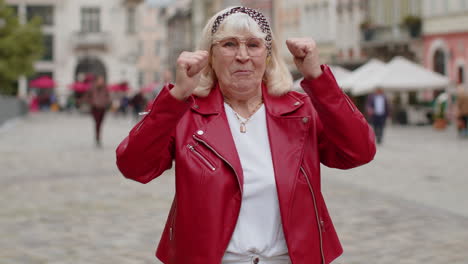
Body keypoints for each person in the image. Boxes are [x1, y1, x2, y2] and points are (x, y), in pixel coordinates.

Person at [116, 6, 376, 264]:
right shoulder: (186, 112)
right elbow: (134, 166)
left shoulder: (300, 111)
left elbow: (359, 151)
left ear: (269, 56)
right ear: (209, 56)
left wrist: (318, 79)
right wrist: (176, 97)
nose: (242, 55)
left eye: (253, 45)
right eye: (229, 44)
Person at [86, 75, 110, 147]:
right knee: (97, 123)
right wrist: (92, 102)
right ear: (96, 81)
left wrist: (106, 102)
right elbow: (87, 96)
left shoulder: (105, 88)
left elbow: (108, 96)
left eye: (102, 80)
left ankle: (98, 136)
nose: (101, 82)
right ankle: (97, 137)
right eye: (100, 80)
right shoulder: (92, 88)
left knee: (100, 123)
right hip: (95, 108)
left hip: (102, 107)